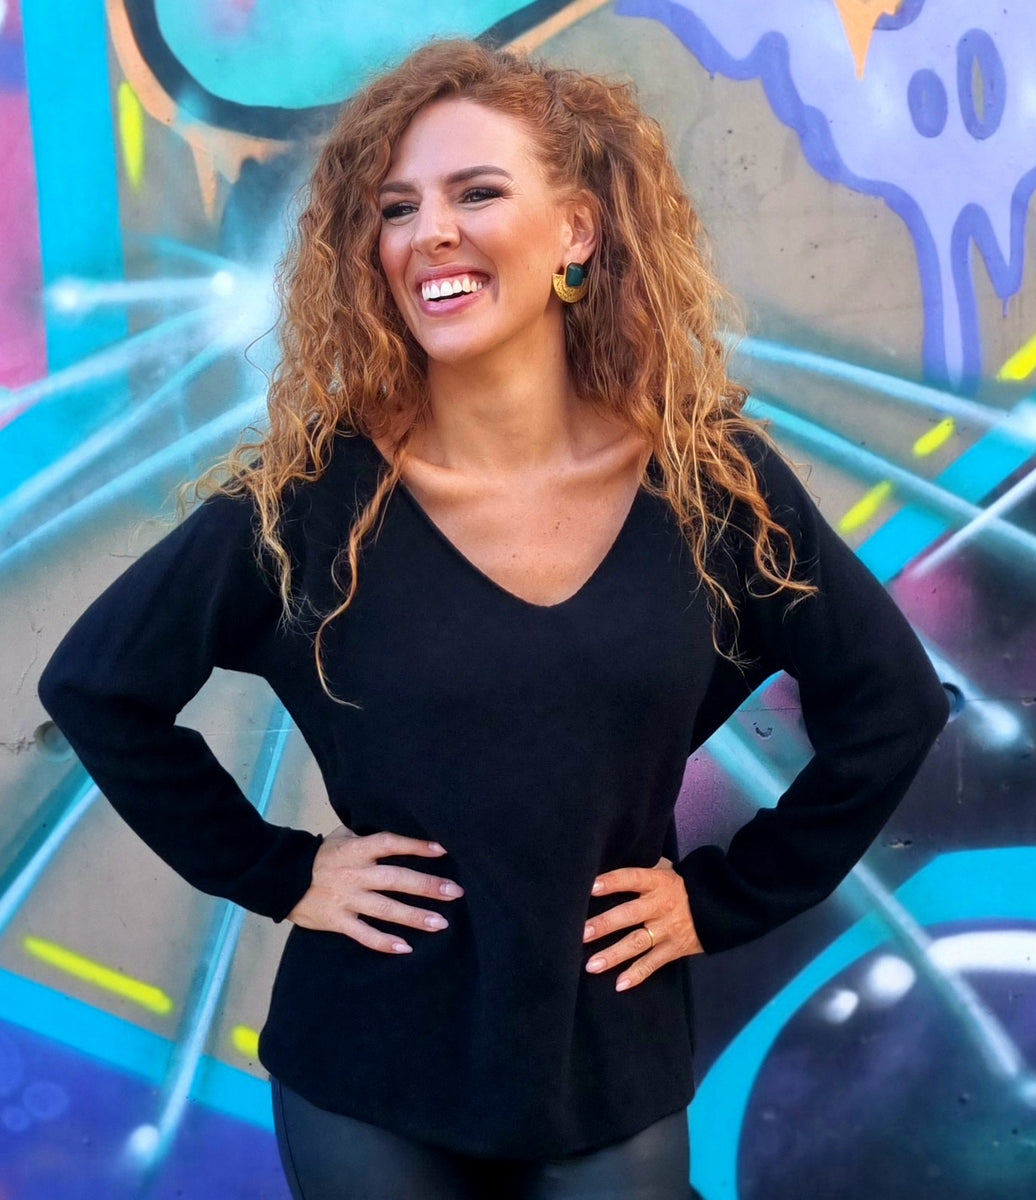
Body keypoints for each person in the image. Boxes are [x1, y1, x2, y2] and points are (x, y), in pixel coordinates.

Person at [36, 37, 949, 1200]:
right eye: (397, 208)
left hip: (607, 1072)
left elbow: (891, 705)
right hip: (370, 1073)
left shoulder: (710, 485)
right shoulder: (310, 501)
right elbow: (98, 688)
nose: (431, 233)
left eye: (476, 193)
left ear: (577, 230)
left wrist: (723, 898)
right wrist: (281, 871)